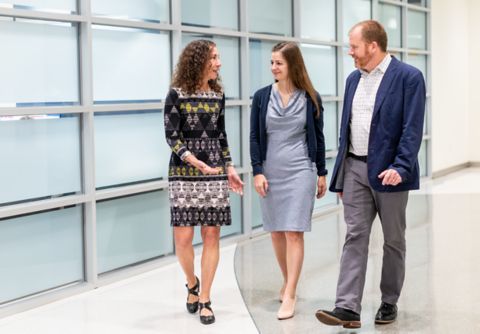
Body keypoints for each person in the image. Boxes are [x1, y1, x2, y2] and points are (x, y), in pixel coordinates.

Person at [315, 20, 426, 329]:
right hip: (354, 169)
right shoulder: (353, 79)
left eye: (354, 46)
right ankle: (347, 307)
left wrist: (401, 167)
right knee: (354, 236)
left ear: (372, 46)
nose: (350, 52)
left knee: (393, 239)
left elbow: (412, 129)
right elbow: (346, 130)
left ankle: (389, 300)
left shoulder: (408, 78)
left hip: (390, 173)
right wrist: (341, 174)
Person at [163, 39, 244, 325]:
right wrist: (193, 160)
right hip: (184, 174)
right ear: (198, 61)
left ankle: (206, 298)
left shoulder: (218, 94)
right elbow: (172, 136)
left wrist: (230, 166)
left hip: (215, 172)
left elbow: (221, 135)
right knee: (183, 239)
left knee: (211, 235)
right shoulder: (176, 94)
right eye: (214, 57)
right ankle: (192, 282)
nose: (219, 63)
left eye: (218, 57)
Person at [250, 41, 327, 320]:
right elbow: (256, 137)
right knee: (277, 231)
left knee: (294, 231)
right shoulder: (261, 98)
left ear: (292, 64)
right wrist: (257, 170)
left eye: (278, 63)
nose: (273, 68)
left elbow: (318, 138)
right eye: (271, 62)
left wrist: (321, 172)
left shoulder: (311, 98)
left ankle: (291, 292)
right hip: (271, 172)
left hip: (300, 171)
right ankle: (287, 279)